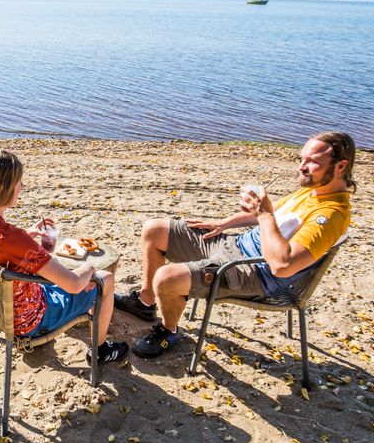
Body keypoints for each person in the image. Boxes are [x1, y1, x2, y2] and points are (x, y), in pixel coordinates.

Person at [115, 132, 356, 358]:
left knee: (167, 278)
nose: (301, 167)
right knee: (155, 230)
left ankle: (168, 331)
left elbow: (283, 266)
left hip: (255, 273)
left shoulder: (331, 214)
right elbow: (266, 214)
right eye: (301, 159)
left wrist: (264, 215)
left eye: (312, 162)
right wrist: (224, 223)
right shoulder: (313, 191)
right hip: (236, 245)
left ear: (340, 166)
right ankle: (145, 302)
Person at [0, 148, 129, 364]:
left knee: (60, 277)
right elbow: (74, 284)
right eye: (18, 181)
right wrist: (90, 268)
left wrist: (26, 235)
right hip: (28, 322)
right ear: (3, 187)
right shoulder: (16, 240)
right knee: (105, 280)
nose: (22, 186)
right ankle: (100, 351)